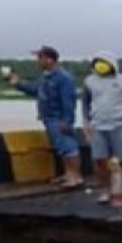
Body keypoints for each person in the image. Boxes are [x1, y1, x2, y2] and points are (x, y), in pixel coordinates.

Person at [7, 45, 83, 189]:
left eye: (40, 58)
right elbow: (36, 90)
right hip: (48, 118)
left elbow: (68, 101)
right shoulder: (45, 77)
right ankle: (68, 174)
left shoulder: (64, 78)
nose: (38, 61)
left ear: (49, 59)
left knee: (68, 147)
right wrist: (18, 84)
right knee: (61, 148)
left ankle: (75, 177)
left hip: (58, 118)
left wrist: (67, 121)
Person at [81, 50, 122, 207]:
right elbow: (85, 103)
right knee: (99, 159)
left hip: (120, 124)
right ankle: (104, 190)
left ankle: (120, 190)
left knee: (121, 160)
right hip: (98, 125)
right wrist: (86, 123)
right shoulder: (89, 82)